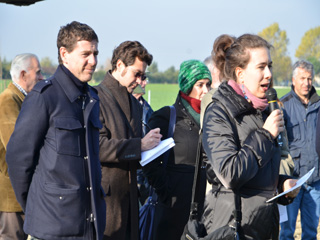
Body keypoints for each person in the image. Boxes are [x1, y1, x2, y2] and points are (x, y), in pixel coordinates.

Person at [5, 21, 106, 239]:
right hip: (52, 228)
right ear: (64, 54)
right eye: (86, 54)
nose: (93, 61)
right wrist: (39, 206)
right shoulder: (44, 97)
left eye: (96, 53)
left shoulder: (92, 99)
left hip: (89, 227)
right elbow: (18, 159)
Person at [201, 34, 299, 239]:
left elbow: (258, 171)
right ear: (240, 73)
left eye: (270, 66)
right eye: (261, 67)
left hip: (264, 226)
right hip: (232, 226)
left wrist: (282, 185)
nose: (269, 74)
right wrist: (264, 135)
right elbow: (230, 173)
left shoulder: (263, 111)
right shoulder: (219, 112)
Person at [95, 40, 162, 240]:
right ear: (120, 66)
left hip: (132, 199)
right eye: (137, 74)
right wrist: (140, 145)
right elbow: (98, 146)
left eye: (143, 75)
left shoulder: (135, 103)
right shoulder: (96, 98)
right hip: (107, 202)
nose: (140, 80)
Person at [143, 59, 211, 240]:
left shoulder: (210, 120)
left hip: (201, 211)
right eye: (200, 84)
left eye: (208, 84)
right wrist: (167, 193)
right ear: (187, 86)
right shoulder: (166, 117)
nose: (206, 90)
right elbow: (149, 161)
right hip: (171, 212)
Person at [0, 53, 43, 240]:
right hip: (11, 196)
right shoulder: (8, 100)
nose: (42, 77)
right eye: (39, 72)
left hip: (19, 193)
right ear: (24, 75)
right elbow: (16, 148)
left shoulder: (21, 99)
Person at [279, 60, 320, 240]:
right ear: (294, 80)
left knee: (311, 232)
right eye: (302, 78)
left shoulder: (319, 105)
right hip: (291, 181)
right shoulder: (283, 105)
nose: (306, 83)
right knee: (286, 232)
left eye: (309, 78)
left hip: (315, 180)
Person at [132, 78, 154, 205]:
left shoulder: (147, 108)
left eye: (145, 79)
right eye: (141, 79)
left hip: (146, 176)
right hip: (133, 175)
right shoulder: (122, 108)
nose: (145, 83)